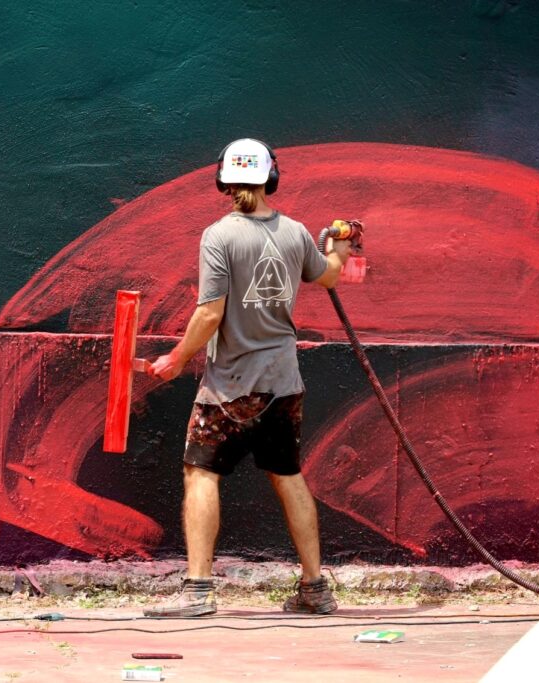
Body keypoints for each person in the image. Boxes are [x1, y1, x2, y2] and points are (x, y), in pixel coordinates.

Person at [142, 138, 351, 618]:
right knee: (288, 475)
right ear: (270, 177)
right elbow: (330, 278)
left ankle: (197, 592)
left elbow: (210, 313)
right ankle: (315, 589)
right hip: (283, 383)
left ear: (224, 180)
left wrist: (176, 358)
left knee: (201, 472)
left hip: (230, 386)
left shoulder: (219, 236)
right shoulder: (297, 233)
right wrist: (337, 247)